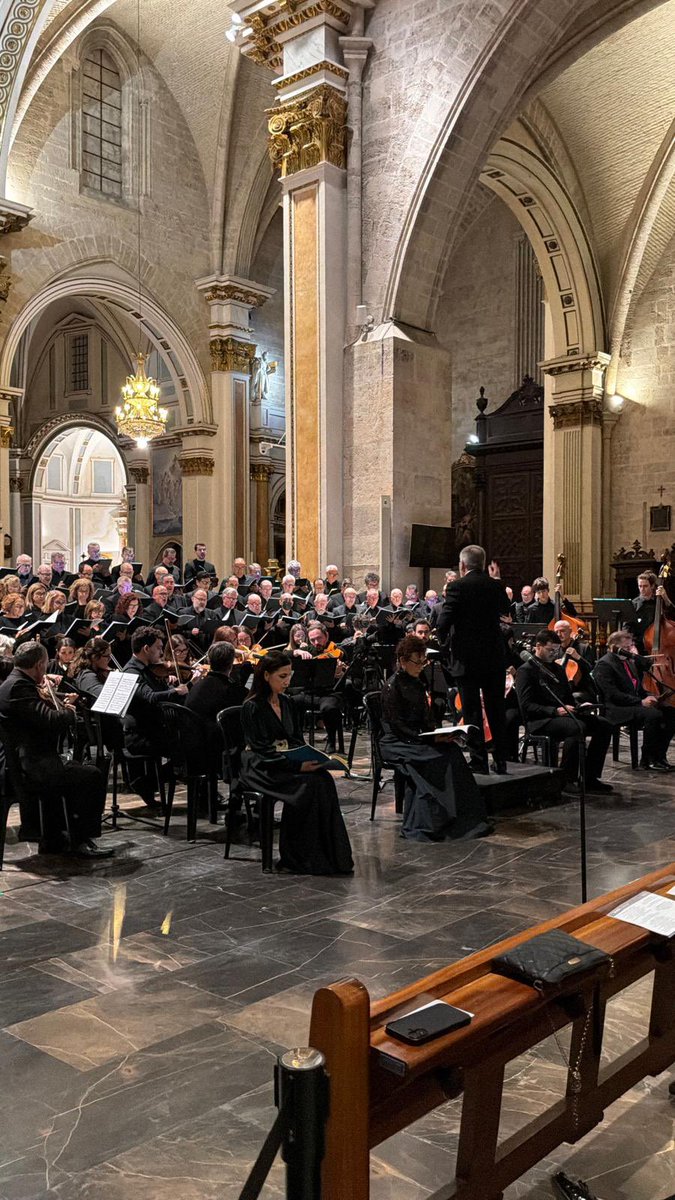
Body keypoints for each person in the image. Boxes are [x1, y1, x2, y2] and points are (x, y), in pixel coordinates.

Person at [239, 650, 353, 875]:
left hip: (283, 760)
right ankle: (298, 856)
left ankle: (329, 856)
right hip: (261, 765)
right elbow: (261, 749)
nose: (287, 681)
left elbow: (295, 740)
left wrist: (311, 758)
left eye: (289, 675)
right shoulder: (252, 706)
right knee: (308, 785)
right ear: (266, 676)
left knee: (323, 779)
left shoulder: (287, 702)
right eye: (282, 676)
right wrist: (296, 766)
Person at [0, 640, 110, 857]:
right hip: (30, 767)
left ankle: (55, 838)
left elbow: (35, 717)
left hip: (24, 761)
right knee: (91, 775)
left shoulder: (12, 683)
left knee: (72, 770)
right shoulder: (20, 687)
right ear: (40, 664)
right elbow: (50, 720)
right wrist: (68, 710)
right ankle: (81, 840)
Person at [380, 634, 493, 841]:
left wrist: (439, 734)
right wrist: (426, 739)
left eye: (424, 661)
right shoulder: (392, 686)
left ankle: (464, 816)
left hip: (417, 737)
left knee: (452, 752)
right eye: (417, 662)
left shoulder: (417, 682)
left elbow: (425, 717)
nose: (421, 666)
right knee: (436, 758)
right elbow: (397, 725)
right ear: (403, 661)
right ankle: (435, 820)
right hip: (398, 742)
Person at [436, 544, 510, 774]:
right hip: (494, 657)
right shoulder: (495, 586)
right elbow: (506, 610)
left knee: (472, 711)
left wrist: (442, 639)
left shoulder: (457, 586)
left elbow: (443, 622)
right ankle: (500, 759)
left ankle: (479, 760)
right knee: (496, 708)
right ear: (483, 563)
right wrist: (497, 580)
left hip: (466, 659)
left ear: (462, 565)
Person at [516, 630, 613, 793]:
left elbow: (567, 697)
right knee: (577, 727)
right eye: (550, 650)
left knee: (604, 725)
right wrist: (555, 711)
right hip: (541, 719)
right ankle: (566, 777)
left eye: (557, 650)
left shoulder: (558, 669)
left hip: (562, 715)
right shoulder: (526, 670)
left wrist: (579, 706)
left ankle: (589, 777)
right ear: (538, 647)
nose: (554, 654)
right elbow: (526, 705)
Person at [121, 627, 189, 809]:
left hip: (154, 729)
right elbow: (150, 697)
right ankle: (145, 781)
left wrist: (169, 684)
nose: (161, 652)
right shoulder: (132, 671)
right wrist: (175, 691)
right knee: (188, 747)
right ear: (146, 649)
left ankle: (148, 781)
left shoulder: (147, 669)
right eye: (159, 648)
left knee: (188, 743)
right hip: (141, 735)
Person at [593, 630, 674, 772]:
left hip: (631, 703)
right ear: (613, 647)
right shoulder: (605, 664)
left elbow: (638, 689)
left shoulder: (628, 662)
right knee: (653, 715)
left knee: (671, 712)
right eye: (625, 648)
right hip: (615, 708)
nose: (629, 651)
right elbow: (612, 695)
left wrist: (653, 696)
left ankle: (659, 757)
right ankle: (646, 759)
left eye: (630, 647)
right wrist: (640, 702)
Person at [185, 641, 247, 765]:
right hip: (212, 751)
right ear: (231, 664)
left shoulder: (197, 686)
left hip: (189, 744)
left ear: (209, 661)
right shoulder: (229, 689)